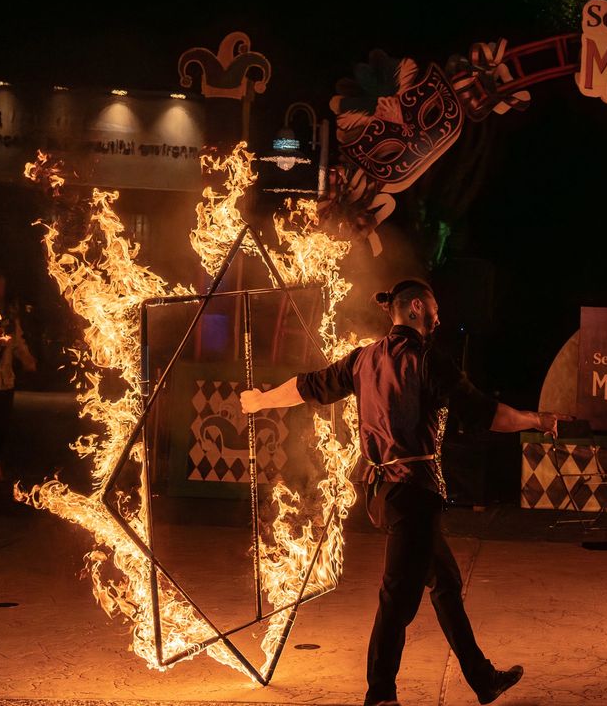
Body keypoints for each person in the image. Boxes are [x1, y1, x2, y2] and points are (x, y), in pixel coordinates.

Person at [240, 279, 565, 706]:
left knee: (445, 582)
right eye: (434, 309)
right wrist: (537, 420)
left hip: (381, 493)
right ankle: (380, 695)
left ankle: (483, 679)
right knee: (398, 598)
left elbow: (308, 387)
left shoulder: (363, 358)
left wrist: (261, 401)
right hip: (412, 493)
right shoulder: (428, 360)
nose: (439, 318)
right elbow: (485, 414)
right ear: (415, 307)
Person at [0, 272, 37, 483]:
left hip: (5, 382)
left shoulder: (9, 318)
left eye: (0, 286)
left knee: (0, 426)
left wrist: (28, 361)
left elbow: (18, 343)